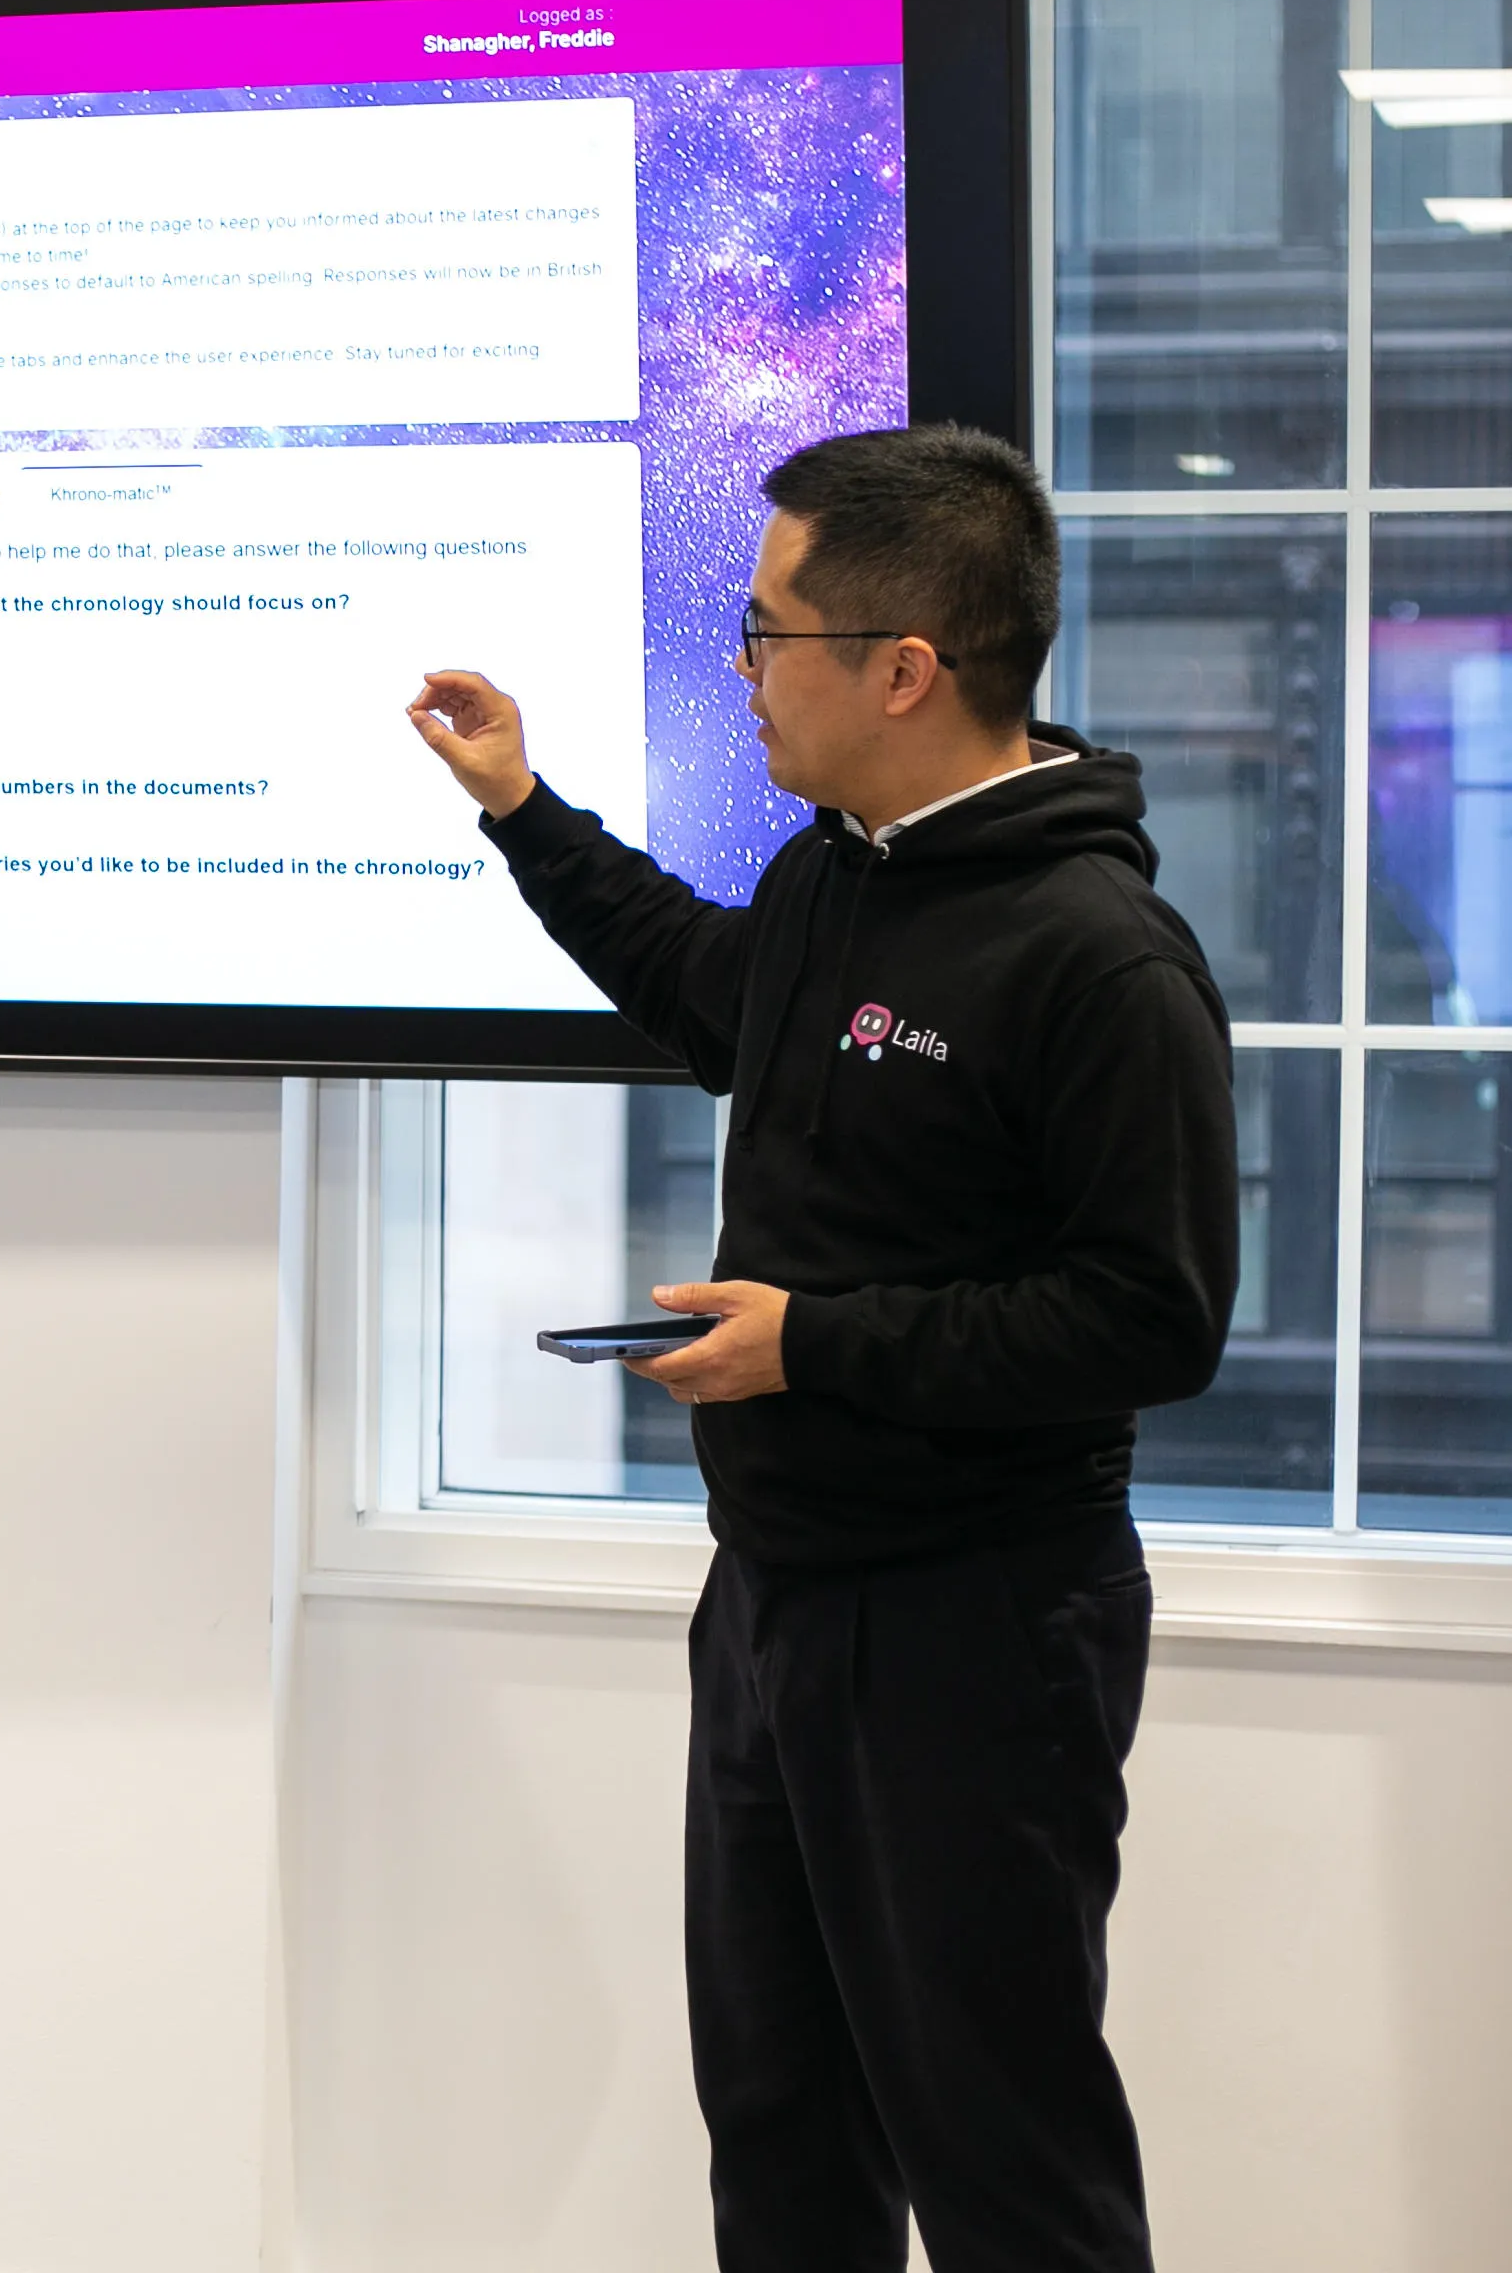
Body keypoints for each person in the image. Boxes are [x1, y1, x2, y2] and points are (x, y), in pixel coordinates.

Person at [407, 425, 1234, 2273]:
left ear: (904, 668)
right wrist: (525, 812)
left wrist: (819, 1348)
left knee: (1004, 2153)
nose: (747, 671)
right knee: (781, 2127)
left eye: (769, 634)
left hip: (978, 1622)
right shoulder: (831, 880)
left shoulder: (1099, 959)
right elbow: (716, 993)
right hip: (776, 1593)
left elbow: (1154, 1312)